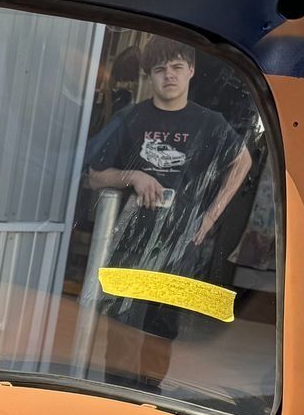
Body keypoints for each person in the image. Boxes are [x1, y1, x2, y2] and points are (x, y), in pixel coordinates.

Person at [83, 37, 254, 389]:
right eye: (160, 69)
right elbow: (95, 175)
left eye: (177, 67)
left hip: (180, 248)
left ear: (191, 71)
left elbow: (243, 160)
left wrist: (209, 217)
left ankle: (150, 400)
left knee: (162, 331)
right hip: (129, 245)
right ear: (150, 76)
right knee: (122, 329)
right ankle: (115, 401)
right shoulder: (130, 118)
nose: (169, 76)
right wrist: (134, 175)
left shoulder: (210, 123)